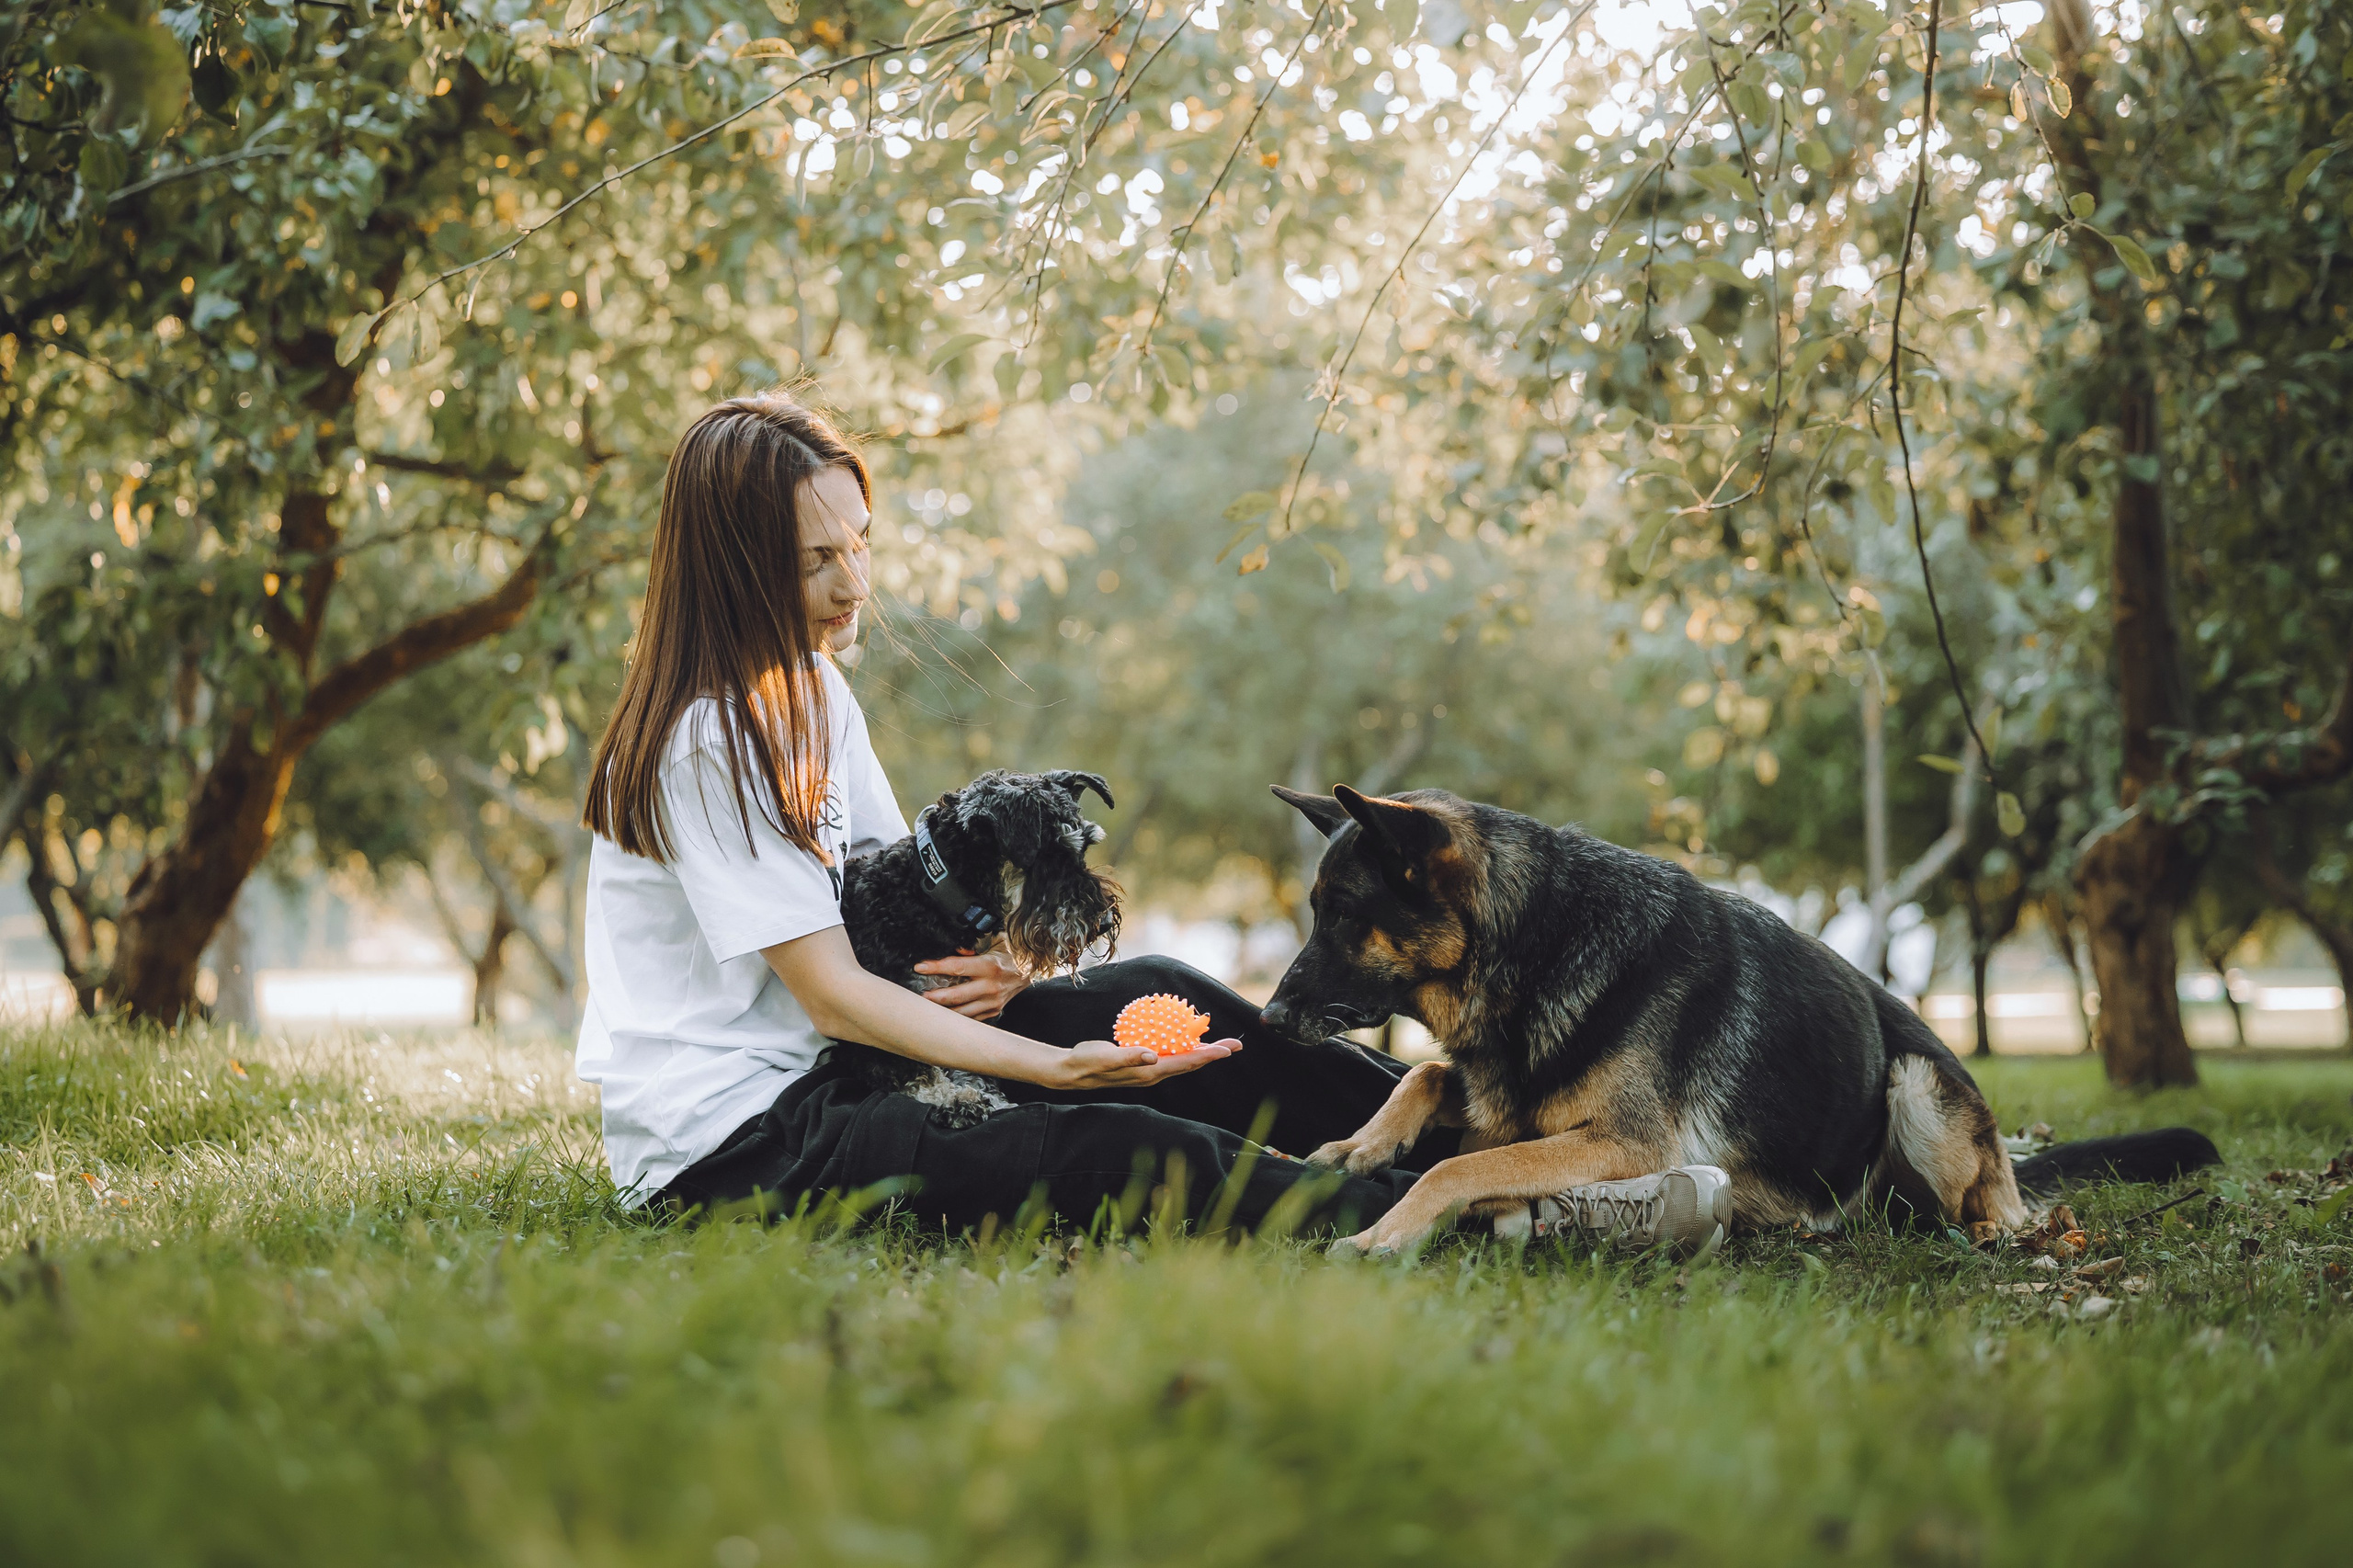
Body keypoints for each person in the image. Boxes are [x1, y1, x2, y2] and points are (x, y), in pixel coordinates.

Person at [574, 390, 1727, 1255]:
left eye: (860, 542)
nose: (854, 581)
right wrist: (1045, 1064)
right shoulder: (708, 735)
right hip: (742, 1138)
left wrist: (1005, 970)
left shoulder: (815, 693)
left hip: (848, 1059)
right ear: (735, 567)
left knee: (1157, 993)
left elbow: (894, 909)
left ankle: (1484, 1146)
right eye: (818, 558)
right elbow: (831, 990)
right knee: (1106, 1140)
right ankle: (1508, 1216)